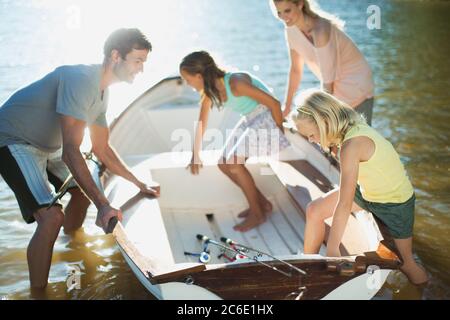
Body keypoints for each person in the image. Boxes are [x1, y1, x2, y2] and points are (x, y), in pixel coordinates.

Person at [0, 28, 160, 289]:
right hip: (15, 140)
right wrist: (104, 204)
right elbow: (71, 151)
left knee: (80, 193)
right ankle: (39, 295)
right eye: (138, 60)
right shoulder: (81, 80)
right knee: (51, 217)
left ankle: (71, 246)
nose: (141, 69)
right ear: (116, 56)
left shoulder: (102, 92)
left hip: (48, 145)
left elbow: (102, 149)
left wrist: (138, 183)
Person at [291, 89, 428, 285]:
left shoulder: (352, 145)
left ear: (325, 122)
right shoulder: (348, 129)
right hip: (368, 192)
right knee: (314, 210)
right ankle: (307, 266)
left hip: (394, 203)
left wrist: (332, 250)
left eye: (311, 135)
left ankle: (426, 290)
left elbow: (345, 204)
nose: (311, 140)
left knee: (406, 264)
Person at [179, 51, 290, 232]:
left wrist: (279, 131)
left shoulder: (235, 83)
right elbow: (202, 122)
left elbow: (275, 104)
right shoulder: (208, 91)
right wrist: (195, 154)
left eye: (188, 79)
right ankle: (262, 204)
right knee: (223, 163)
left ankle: (258, 214)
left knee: (234, 164)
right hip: (250, 118)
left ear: (199, 76)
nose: (187, 84)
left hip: (267, 116)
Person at [272, 0, 375, 125]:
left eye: (287, 11)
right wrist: (287, 107)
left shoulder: (321, 30)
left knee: (357, 139)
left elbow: (328, 81)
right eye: (279, 13)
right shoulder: (291, 29)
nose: (283, 17)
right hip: (334, 89)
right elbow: (295, 70)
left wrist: (323, 116)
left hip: (356, 86)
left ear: (300, 4)